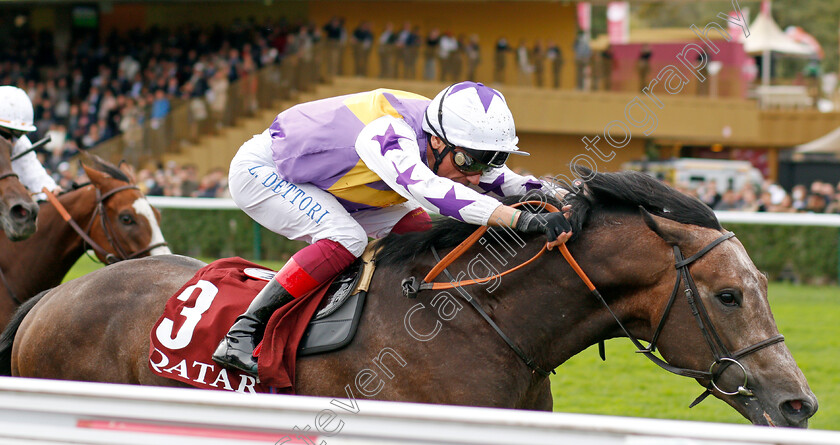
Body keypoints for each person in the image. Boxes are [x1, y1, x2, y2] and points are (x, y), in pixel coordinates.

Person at [213, 81, 573, 376]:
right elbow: (433, 194)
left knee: (415, 228)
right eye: (468, 160)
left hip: (334, 183)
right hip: (266, 171)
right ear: (436, 141)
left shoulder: (449, 133)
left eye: (489, 160)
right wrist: (520, 219)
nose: (476, 173)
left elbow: (504, 182)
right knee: (346, 238)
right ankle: (243, 333)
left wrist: (561, 198)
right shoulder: (387, 134)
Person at [0, 86, 60, 201]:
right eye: (5, 135)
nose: (10, 142)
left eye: (18, 135)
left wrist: (51, 190)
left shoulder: (20, 144)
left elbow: (35, 175)